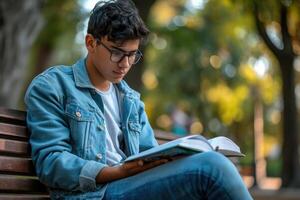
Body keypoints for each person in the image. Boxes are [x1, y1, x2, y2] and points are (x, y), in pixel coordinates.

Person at [24, 0, 253, 199]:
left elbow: (150, 154)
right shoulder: (53, 86)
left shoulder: (130, 99)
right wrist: (118, 171)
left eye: (132, 54)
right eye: (117, 52)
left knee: (211, 163)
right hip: (94, 194)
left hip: (131, 186)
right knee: (211, 168)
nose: (125, 64)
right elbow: (51, 162)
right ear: (91, 43)